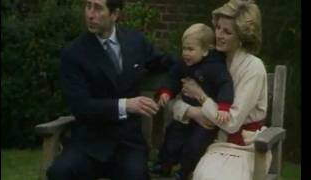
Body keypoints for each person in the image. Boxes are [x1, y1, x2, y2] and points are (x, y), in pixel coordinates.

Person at [46, 0, 177, 179]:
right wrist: (126, 105)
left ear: (114, 14)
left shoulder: (135, 42)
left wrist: (166, 89)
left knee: (136, 175)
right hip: (89, 143)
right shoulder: (74, 54)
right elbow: (81, 107)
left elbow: (171, 65)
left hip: (128, 144)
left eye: (98, 8)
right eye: (88, 6)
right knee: (59, 172)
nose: (90, 14)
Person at [171, 0, 272, 179]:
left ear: (242, 36)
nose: (218, 35)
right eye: (217, 28)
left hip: (245, 147)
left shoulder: (253, 68)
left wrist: (202, 96)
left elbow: (232, 123)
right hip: (214, 142)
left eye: (227, 31)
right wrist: (193, 112)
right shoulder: (207, 60)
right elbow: (177, 101)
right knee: (202, 175)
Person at [150, 23, 234, 180]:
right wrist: (167, 92)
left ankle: (183, 171)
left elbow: (225, 85)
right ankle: (163, 164)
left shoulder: (215, 67)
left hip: (205, 120)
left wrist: (223, 106)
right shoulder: (183, 64)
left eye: (190, 49)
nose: (185, 54)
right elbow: (173, 77)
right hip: (186, 115)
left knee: (195, 146)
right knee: (172, 136)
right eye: (184, 49)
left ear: (205, 50)